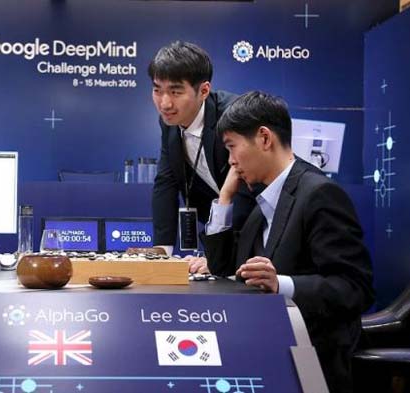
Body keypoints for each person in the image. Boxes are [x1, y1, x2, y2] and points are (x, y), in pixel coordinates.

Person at [202, 91, 375, 393]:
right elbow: (223, 270)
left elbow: (355, 288)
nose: (230, 161)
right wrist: (225, 199)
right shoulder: (260, 204)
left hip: (313, 362)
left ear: (264, 138)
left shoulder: (320, 194)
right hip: (266, 351)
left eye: (232, 147)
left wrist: (281, 284)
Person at [148, 41, 256, 272]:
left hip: (258, 228)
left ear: (204, 91)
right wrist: (160, 255)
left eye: (175, 92)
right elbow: (165, 182)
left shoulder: (235, 116)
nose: (165, 103)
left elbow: (249, 190)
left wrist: (218, 257)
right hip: (220, 223)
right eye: (158, 90)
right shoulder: (169, 122)